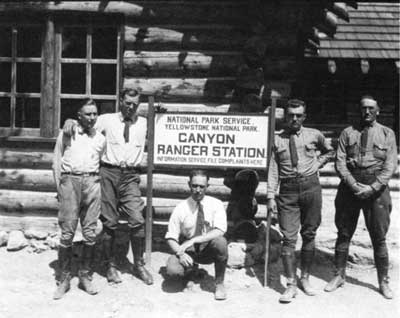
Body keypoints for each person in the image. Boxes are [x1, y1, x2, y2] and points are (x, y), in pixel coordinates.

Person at [64, 88, 153, 285]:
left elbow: (163, 127)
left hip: (130, 175)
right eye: (128, 103)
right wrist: (69, 121)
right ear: (121, 101)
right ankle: (111, 265)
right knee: (110, 222)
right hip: (108, 173)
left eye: (135, 104)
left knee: (137, 219)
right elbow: (83, 123)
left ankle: (138, 264)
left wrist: (162, 112)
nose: (131, 107)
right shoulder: (106, 119)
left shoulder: (144, 123)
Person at [324, 96, 397, 299]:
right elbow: (340, 162)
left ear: (378, 110)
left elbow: (390, 165)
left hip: (377, 190)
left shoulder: (387, 134)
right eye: (364, 108)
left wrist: (372, 187)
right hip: (350, 188)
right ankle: (339, 275)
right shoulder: (348, 133)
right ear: (359, 110)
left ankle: (383, 281)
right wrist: (353, 184)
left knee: (379, 237)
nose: (367, 112)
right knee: (344, 232)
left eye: (371, 108)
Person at [267, 99, 334, 303]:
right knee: (288, 238)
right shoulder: (277, 140)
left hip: (311, 187)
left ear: (304, 117)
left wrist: (316, 165)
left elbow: (329, 151)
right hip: (287, 191)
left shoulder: (314, 134)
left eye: (298, 115)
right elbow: (273, 169)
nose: (294, 118)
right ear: (285, 116)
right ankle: (291, 284)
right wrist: (271, 195)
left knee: (309, 233)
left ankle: (304, 277)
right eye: (290, 115)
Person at [52, 99, 106, 299]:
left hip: (92, 182)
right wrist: (61, 188)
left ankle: (85, 276)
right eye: (88, 114)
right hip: (70, 182)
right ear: (79, 115)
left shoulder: (100, 138)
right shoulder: (67, 133)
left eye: (95, 114)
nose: (92, 118)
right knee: (67, 233)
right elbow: (56, 161)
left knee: (90, 232)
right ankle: (64, 278)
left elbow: (101, 163)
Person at [165, 170, 228, 301]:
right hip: (189, 252)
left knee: (221, 242)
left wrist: (195, 240)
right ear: (189, 185)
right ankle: (190, 272)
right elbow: (171, 237)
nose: (198, 190)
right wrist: (180, 253)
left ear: (207, 187)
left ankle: (219, 284)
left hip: (208, 250)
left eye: (202, 186)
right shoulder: (181, 208)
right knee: (172, 271)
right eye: (194, 186)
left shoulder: (216, 204)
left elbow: (220, 230)